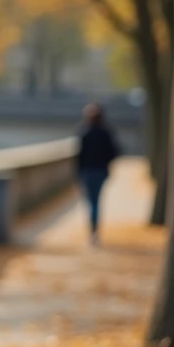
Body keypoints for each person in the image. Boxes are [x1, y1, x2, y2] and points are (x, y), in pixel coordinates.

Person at [77, 103, 121, 245]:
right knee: (97, 201)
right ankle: (95, 232)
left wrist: (78, 174)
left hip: (88, 171)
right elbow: (114, 152)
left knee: (91, 202)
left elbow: (79, 156)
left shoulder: (84, 132)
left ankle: (93, 232)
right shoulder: (106, 132)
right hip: (101, 171)